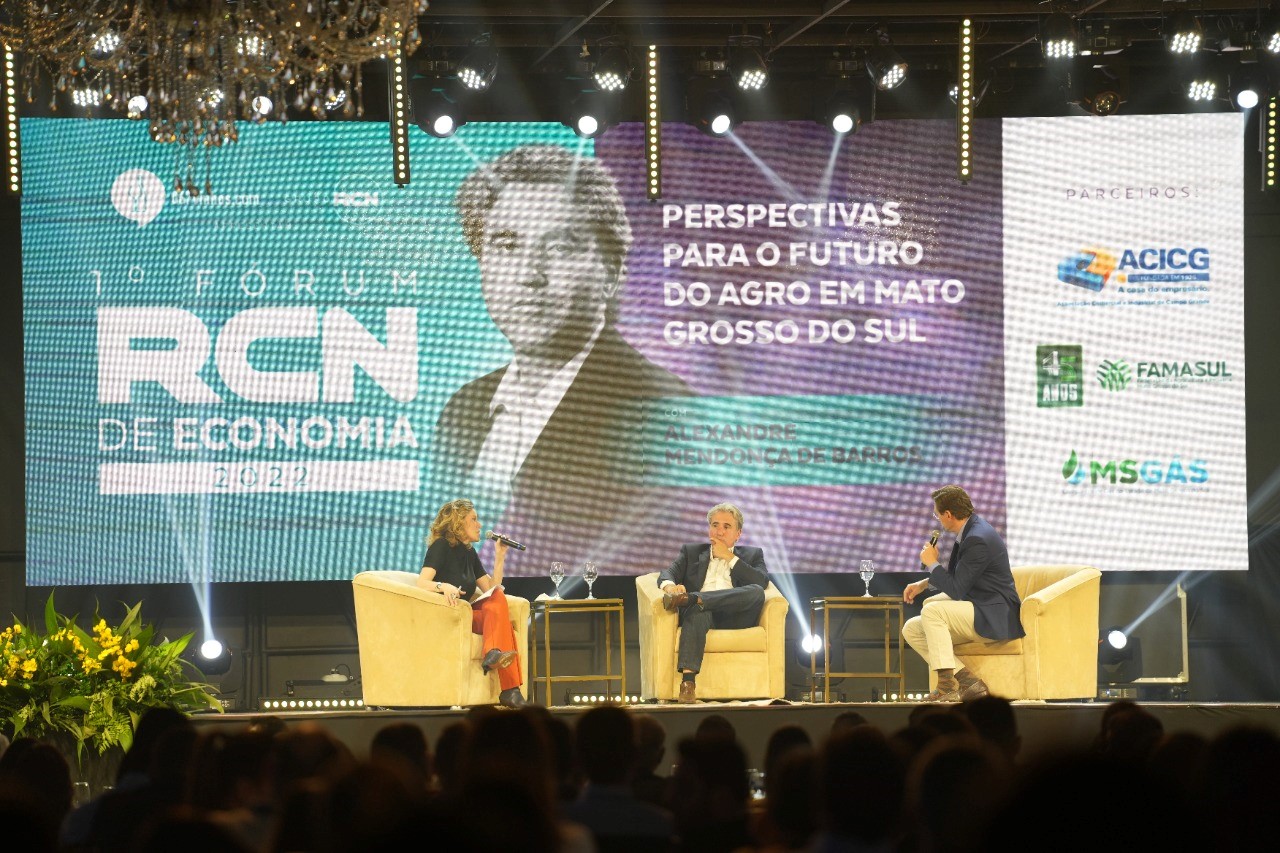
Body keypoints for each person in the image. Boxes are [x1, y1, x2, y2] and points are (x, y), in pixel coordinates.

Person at [432, 145, 692, 545]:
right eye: (507, 245)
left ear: (611, 273)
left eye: (558, 248)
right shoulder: (463, 409)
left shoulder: (661, 407)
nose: (529, 275)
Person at [901, 485, 1024, 703]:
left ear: (948, 514)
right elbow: (961, 578)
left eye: (937, 514)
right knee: (911, 629)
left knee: (932, 611)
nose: (937, 519)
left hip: (995, 613)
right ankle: (968, 681)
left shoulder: (978, 538)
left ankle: (946, 687)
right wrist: (923, 583)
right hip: (979, 604)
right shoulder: (971, 531)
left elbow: (957, 589)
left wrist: (931, 563)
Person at [417, 498, 526, 707]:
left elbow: (491, 588)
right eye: (474, 519)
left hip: (466, 615)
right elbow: (422, 582)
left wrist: (500, 556)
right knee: (503, 622)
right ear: (458, 523)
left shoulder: (468, 551)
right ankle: (510, 689)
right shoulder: (441, 546)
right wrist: (444, 586)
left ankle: (495, 656)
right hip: (451, 616)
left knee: (497, 600)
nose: (480, 525)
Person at [657, 503, 768, 703]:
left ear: (738, 533)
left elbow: (762, 581)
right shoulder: (691, 552)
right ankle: (688, 684)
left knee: (757, 591)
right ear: (709, 529)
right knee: (698, 609)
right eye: (715, 525)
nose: (720, 531)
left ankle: (694, 598)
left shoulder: (753, 554)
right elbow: (667, 574)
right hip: (702, 614)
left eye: (727, 527)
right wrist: (670, 588)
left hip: (736, 616)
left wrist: (730, 558)